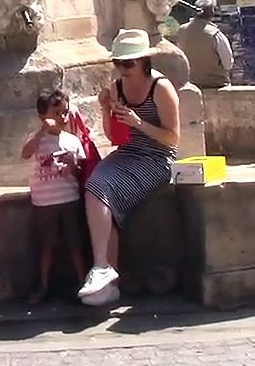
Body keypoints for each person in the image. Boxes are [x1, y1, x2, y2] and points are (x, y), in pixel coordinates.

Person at [79, 29, 180, 307]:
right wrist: (105, 110)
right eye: (118, 63)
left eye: (128, 63)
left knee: (102, 189)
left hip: (157, 157)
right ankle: (106, 277)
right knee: (95, 186)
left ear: (143, 61)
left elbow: (173, 138)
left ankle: (102, 268)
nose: (122, 69)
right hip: (128, 153)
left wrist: (139, 123)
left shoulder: (161, 88)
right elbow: (114, 137)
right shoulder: (117, 87)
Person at [21, 89, 88, 305]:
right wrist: (42, 132)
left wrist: (73, 165)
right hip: (44, 201)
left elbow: (79, 170)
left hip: (68, 199)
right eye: (57, 113)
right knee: (45, 246)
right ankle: (43, 286)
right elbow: (25, 153)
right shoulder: (36, 139)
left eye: (65, 112)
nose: (63, 117)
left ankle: (83, 283)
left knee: (75, 244)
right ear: (43, 116)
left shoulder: (72, 141)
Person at [176, 0, 234, 88]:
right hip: (216, 84)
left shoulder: (181, 31)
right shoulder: (215, 34)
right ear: (212, 14)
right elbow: (228, 63)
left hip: (190, 84)